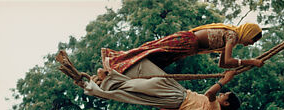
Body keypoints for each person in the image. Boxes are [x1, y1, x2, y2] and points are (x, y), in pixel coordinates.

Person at [83, 61, 241, 110]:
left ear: (226, 103)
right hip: (178, 91)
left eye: (224, 95)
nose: (221, 94)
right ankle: (112, 76)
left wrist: (224, 81)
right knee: (148, 75)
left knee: (141, 89)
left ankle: (107, 83)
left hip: (176, 99)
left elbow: (209, 94)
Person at [98, 22, 263, 75]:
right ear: (249, 32)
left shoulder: (230, 37)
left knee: (153, 62)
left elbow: (223, 64)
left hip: (187, 47)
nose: (251, 43)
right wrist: (251, 62)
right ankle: (113, 61)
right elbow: (228, 60)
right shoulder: (232, 35)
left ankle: (116, 71)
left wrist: (242, 64)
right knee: (150, 52)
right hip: (186, 42)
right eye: (253, 39)